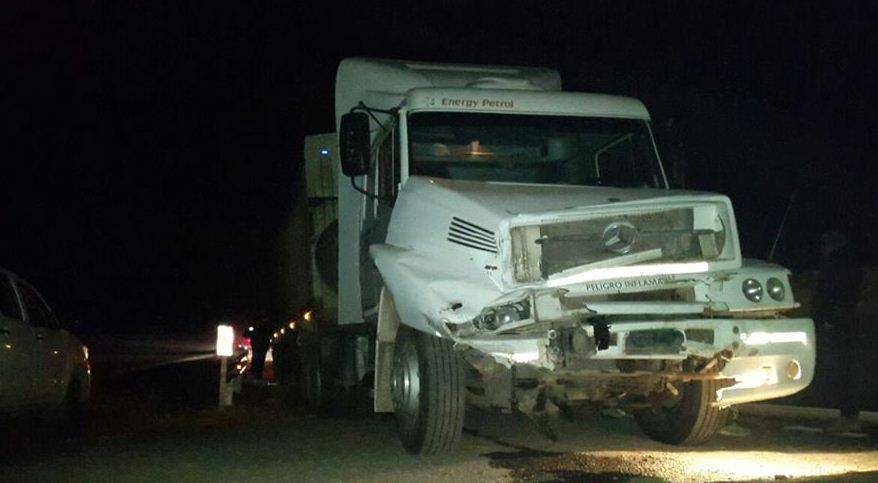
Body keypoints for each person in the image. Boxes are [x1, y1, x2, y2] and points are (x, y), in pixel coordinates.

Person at [814, 230, 866, 434]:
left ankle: (849, 417)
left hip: (838, 322)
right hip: (845, 321)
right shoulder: (850, 262)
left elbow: (830, 293)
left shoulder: (837, 264)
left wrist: (826, 319)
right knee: (846, 368)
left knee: (842, 369)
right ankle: (849, 415)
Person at [248, 317, 271, 382]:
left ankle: (255, 376)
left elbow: (246, 334)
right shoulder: (266, 330)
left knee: (256, 361)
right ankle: (258, 376)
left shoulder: (256, 330)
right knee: (260, 362)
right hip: (261, 348)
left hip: (257, 348)